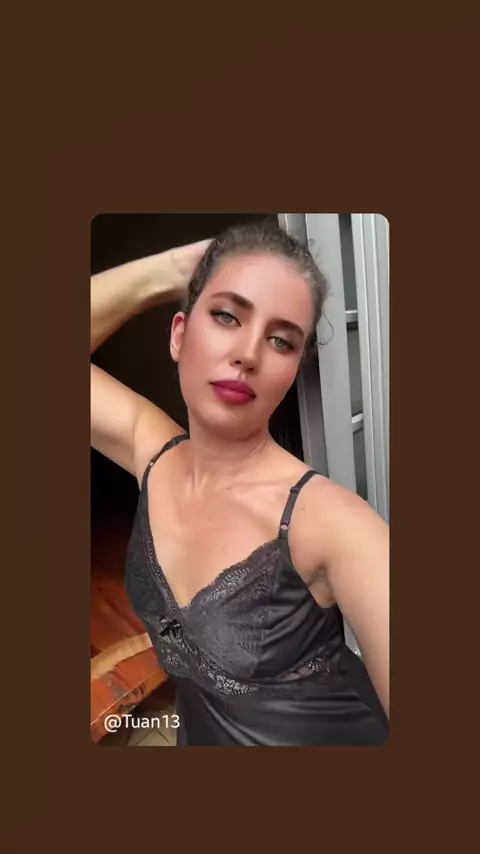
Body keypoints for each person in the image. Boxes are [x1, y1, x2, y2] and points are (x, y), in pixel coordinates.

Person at [90, 221, 389, 746]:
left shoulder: (334, 524)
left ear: (291, 373)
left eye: (281, 340)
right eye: (227, 315)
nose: (249, 353)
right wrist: (168, 271)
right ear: (179, 335)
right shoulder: (152, 452)